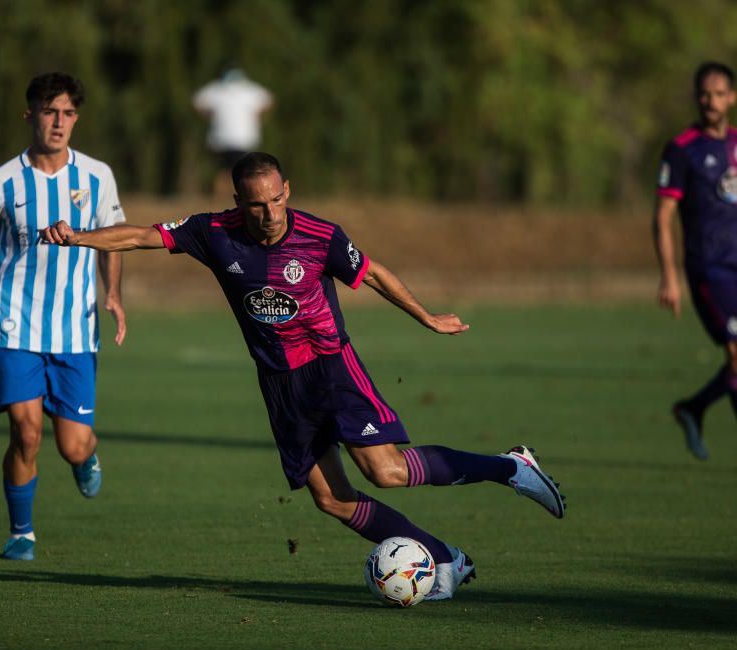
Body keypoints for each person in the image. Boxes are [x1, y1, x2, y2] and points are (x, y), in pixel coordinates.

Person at [38, 152, 566, 601]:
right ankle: (444, 557)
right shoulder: (213, 232)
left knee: (383, 471)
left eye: (275, 200)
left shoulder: (320, 236)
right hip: (279, 386)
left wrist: (426, 316)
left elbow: (373, 272)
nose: (268, 213)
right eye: (255, 204)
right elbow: (139, 237)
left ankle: (510, 468)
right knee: (331, 499)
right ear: (239, 202)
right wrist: (78, 238)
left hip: (331, 367)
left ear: (286, 190)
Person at [0, 72, 127, 561]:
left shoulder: (96, 176)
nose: (59, 123)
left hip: (75, 327)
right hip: (16, 326)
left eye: (68, 114)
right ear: (30, 115)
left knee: (72, 446)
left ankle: (85, 457)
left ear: (76, 119)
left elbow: (112, 238)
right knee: (26, 433)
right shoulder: (2, 181)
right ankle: (22, 532)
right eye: (50, 111)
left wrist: (113, 294)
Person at [653, 61, 737, 460]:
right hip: (709, 268)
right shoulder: (683, 148)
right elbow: (663, 216)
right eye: (705, 94)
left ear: (732, 98)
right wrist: (670, 275)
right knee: (736, 352)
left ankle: (694, 407)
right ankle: (695, 408)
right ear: (696, 97)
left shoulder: (736, 144)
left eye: (719, 94)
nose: (711, 101)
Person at [193, 68, 273, 197]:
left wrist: (209, 117)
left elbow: (198, 102)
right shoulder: (250, 90)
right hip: (244, 138)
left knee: (222, 169)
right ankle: (238, 194)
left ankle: (219, 196)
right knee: (244, 170)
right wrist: (259, 119)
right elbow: (268, 101)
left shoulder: (216, 90)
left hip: (220, 138)